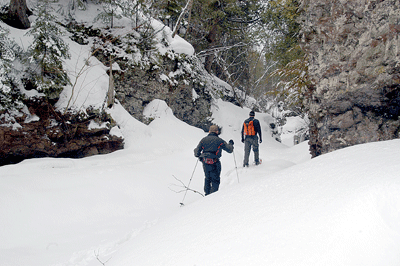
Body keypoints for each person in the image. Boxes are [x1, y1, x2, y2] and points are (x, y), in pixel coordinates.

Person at [194, 125, 234, 195]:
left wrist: (201, 157)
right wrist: (231, 144)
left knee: (207, 178)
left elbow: (196, 152)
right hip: (215, 162)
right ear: (217, 132)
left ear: (209, 131)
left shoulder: (203, 140)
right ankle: (212, 197)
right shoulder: (219, 141)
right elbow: (229, 150)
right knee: (215, 180)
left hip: (205, 162)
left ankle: (207, 195)